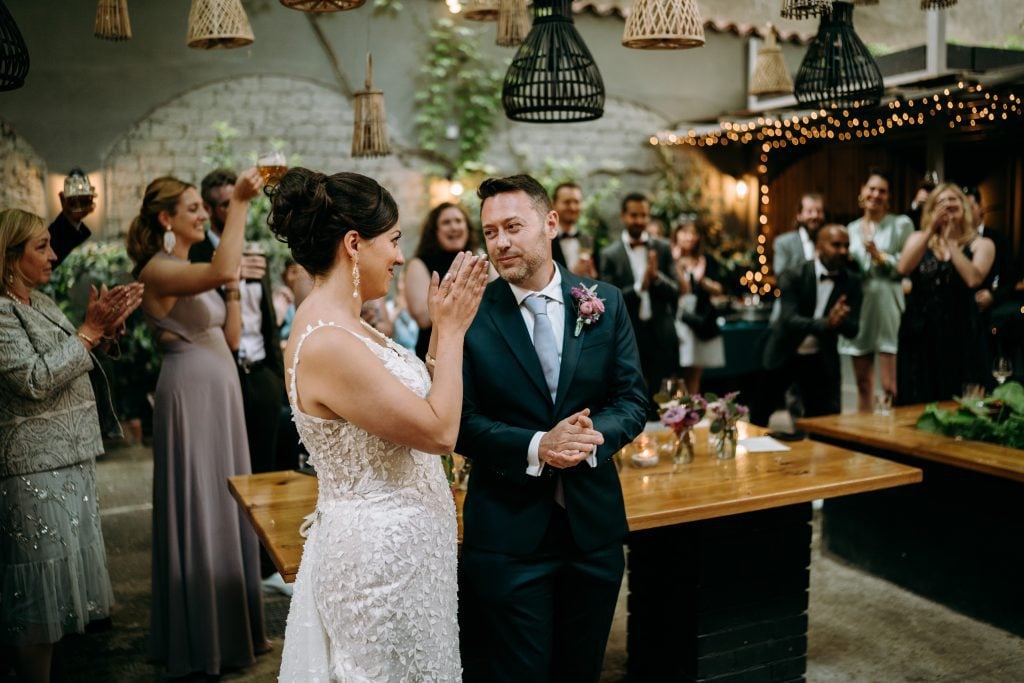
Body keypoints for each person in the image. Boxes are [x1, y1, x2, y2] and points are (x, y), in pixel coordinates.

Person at [272, 168, 487, 681]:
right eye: (391, 241)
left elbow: (409, 407)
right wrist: (452, 332)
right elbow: (438, 433)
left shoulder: (346, 326)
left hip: (407, 554)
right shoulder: (327, 342)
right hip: (380, 565)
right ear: (353, 244)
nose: (397, 256)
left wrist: (437, 337)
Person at [457, 174, 648, 682]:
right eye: (490, 231)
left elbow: (632, 399)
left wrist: (587, 440)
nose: (500, 242)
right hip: (507, 537)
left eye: (512, 227)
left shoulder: (604, 300)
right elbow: (458, 422)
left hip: (593, 532)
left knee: (581, 670)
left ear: (551, 223)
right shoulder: (468, 315)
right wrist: (540, 446)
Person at [126, 170, 269, 677]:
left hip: (220, 390)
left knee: (228, 504)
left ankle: (234, 631)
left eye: (201, 207)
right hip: (189, 396)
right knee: (201, 504)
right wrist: (242, 204)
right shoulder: (157, 269)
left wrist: (231, 290)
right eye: (192, 208)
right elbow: (223, 264)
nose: (202, 214)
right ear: (165, 219)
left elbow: (231, 338)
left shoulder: (189, 265)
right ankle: (202, 639)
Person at [0, 208, 142, 682]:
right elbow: (34, 379)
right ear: (9, 256)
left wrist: (103, 333)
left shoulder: (38, 302)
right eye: (41, 246)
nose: (54, 254)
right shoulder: (1, 311)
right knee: (37, 591)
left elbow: (67, 356)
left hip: (71, 457)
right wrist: (89, 331)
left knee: (57, 586)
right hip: (34, 466)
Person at [189, 167, 291, 594]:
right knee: (235, 471)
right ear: (213, 209)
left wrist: (276, 373)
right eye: (228, 204)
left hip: (260, 369)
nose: (236, 210)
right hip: (225, 373)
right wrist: (230, 278)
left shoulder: (252, 250)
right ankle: (239, 561)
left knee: (273, 468)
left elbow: (266, 318)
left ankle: (271, 564)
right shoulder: (196, 258)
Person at [896, 184, 995, 405]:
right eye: (941, 201)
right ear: (931, 209)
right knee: (917, 399)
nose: (948, 204)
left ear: (965, 207)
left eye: (953, 200)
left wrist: (951, 243)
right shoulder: (918, 239)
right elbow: (902, 268)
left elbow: (973, 279)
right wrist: (931, 230)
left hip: (961, 334)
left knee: (960, 400)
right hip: (920, 334)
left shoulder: (982, 244)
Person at [763, 225, 863, 418]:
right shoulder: (793, 275)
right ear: (819, 247)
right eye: (836, 245)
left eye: (846, 246)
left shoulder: (852, 281)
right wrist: (827, 323)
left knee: (826, 421)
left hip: (821, 358)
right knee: (761, 415)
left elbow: (853, 329)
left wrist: (840, 321)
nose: (843, 251)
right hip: (783, 352)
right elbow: (789, 320)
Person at [838, 170, 914, 412]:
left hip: (886, 300)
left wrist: (880, 257)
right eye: (872, 189)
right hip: (860, 302)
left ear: (888, 196)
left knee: (889, 383)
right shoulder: (850, 229)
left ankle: (892, 433)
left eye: (882, 191)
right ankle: (864, 430)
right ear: (862, 192)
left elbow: (906, 265)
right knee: (863, 381)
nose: (876, 195)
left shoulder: (900, 224)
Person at [600, 192, 678, 418]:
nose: (639, 220)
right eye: (634, 215)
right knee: (629, 395)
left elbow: (675, 293)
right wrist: (638, 287)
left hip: (660, 333)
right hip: (628, 333)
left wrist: (656, 279)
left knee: (662, 399)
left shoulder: (662, 248)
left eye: (644, 215)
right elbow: (606, 300)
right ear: (623, 216)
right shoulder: (609, 254)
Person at [404, 201, 476, 359]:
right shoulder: (419, 264)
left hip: (477, 352)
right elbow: (423, 318)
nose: (454, 227)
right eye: (446, 222)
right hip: (437, 354)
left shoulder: (478, 259)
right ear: (434, 231)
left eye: (458, 221)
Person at [672, 219, 725, 394]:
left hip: (698, 319)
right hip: (676, 318)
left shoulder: (705, 259)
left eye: (694, 233)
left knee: (694, 370)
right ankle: (673, 413)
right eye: (685, 232)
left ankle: (691, 413)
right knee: (674, 369)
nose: (690, 237)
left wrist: (702, 280)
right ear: (676, 234)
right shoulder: (669, 257)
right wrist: (677, 266)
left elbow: (719, 289)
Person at [772, 192, 826, 278]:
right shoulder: (783, 243)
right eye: (809, 211)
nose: (815, 215)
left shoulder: (828, 243)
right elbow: (780, 276)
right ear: (799, 215)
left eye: (819, 211)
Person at [551, 182, 598, 278]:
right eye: (567, 202)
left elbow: (599, 279)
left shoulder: (587, 240)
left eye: (576, 202)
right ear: (554, 204)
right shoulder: (545, 241)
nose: (572, 207)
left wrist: (594, 277)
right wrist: (573, 274)